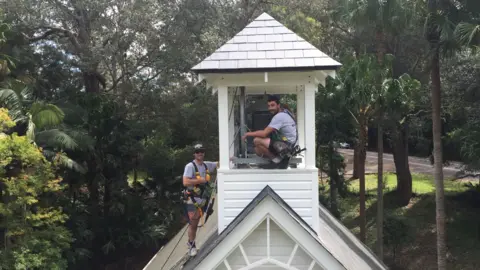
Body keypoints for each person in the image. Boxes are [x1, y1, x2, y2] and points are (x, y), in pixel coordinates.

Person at [182, 143, 217, 256]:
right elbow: (186, 182)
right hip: (192, 199)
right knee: (193, 224)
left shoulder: (206, 165)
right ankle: (191, 245)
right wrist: (200, 181)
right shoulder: (190, 166)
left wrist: (230, 158)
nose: (200, 153)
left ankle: (191, 243)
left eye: (201, 151)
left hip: (203, 199)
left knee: (197, 221)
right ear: (194, 154)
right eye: (197, 151)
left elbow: (218, 164)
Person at [242, 95, 297, 166]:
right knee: (257, 149)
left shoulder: (279, 116)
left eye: (273, 105)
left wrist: (247, 134)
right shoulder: (285, 112)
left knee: (256, 140)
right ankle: (277, 159)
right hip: (288, 144)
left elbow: (264, 133)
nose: (270, 108)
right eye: (269, 106)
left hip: (287, 146)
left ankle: (278, 161)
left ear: (278, 105)